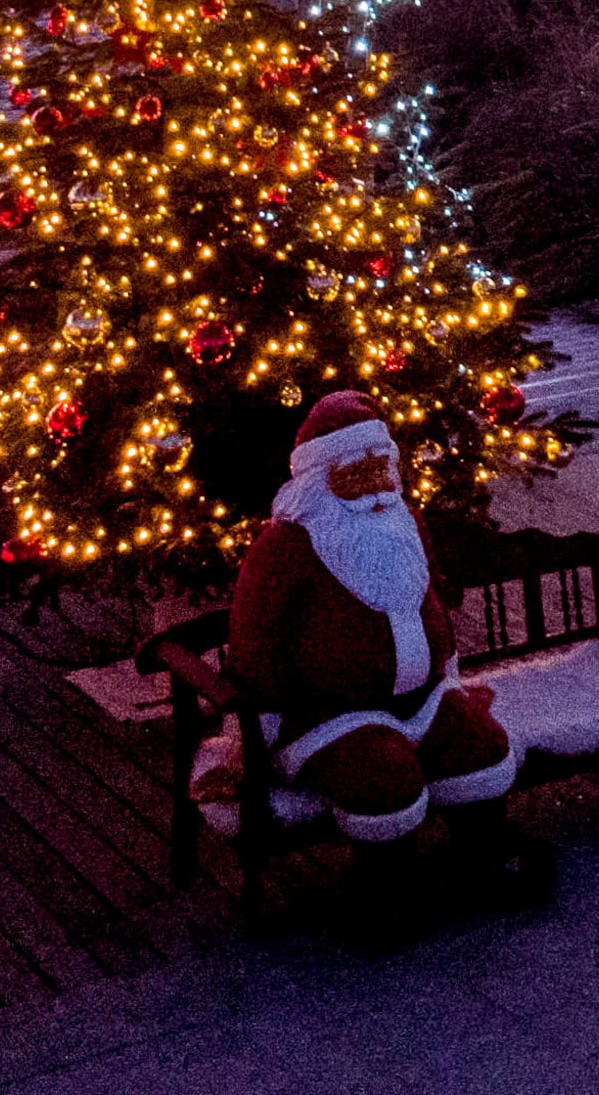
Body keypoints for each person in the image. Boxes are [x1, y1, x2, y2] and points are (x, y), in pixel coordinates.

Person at [226, 391, 516, 927]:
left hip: (424, 697)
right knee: (381, 776)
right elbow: (254, 640)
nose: (375, 484)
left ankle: (487, 861)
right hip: (331, 716)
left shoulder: (405, 521)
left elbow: (431, 600)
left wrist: (447, 670)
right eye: (356, 471)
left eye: (382, 467)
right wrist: (257, 738)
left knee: (478, 743)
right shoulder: (285, 548)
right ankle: (388, 892)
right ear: (320, 477)